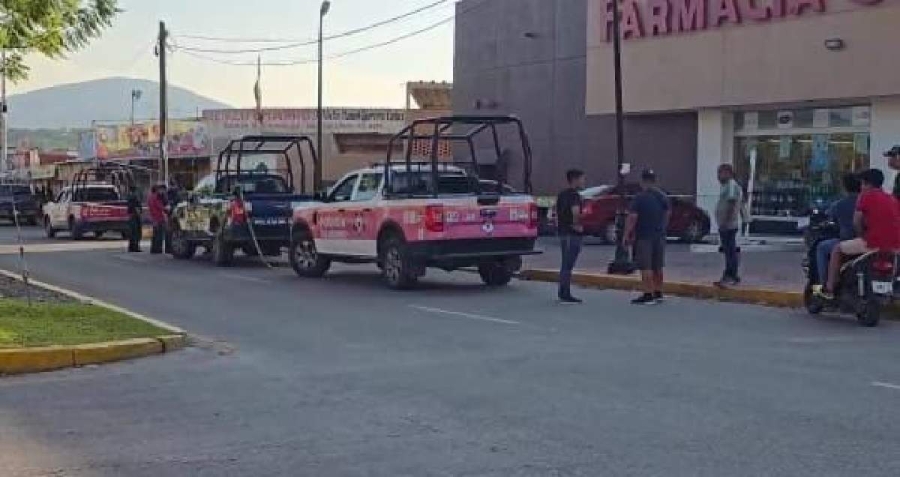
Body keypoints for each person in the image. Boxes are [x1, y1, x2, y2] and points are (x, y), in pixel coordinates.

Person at [817, 169, 900, 300]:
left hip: (873, 243)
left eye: (862, 183)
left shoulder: (865, 197)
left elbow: (856, 222)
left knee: (837, 249)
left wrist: (861, 235)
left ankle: (829, 288)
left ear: (868, 184)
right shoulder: (892, 199)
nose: (861, 187)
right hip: (894, 245)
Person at [624, 169, 671, 305]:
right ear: (654, 180)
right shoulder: (663, 196)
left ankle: (648, 294)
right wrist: (662, 228)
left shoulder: (639, 198)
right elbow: (668, 213)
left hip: (644, 236)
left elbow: (633, 217)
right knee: (658, 266)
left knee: (646, 266)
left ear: (642, 181)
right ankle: (658, 292)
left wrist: (626, 235)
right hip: (659, 235)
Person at [814, 173, 860, 285]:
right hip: (864, 241)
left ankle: (824, 282)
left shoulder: (840, 204)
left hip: (848, 240)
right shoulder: (865, 201)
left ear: (845, 187)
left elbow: (828, 215)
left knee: (821, 248)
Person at [556, 169, 586, 304]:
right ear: (575, 179)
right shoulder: (574, 196)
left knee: (565, 263)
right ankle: (565, 292)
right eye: (582, 179)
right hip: (572, 233)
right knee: (568, 264)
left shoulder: (561, 194)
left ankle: (563, 291)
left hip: (563, 232)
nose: (583, 181)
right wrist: (578, 224)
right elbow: (575, 213)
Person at [714, 164, 743, 287]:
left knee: (730, 251)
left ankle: (730, 275)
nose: (718, 176)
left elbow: (731, 203)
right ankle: (732, 275)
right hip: (726, 224)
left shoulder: (731, 185)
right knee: (728, 250)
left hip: (729, 224)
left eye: (720, 173)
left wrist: (725, 221)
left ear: (728, 173)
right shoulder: (727, 185)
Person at [148, 185, 167, 254]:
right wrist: (166, 208)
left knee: (155, 234)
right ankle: (158, 249)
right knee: (159, 234)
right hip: (159, 217)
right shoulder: (156, 197)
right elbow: (160, 206)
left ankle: (153, 249)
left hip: (153, 217)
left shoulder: (150, 197)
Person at [126, 185, 143, 253]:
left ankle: (131, 247)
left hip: (131, 216)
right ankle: (136, 247)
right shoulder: (135, 197)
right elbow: (137, 207)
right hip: (135, 216)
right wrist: (139, 213)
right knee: (136, 232)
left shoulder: (129, 197)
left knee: (132, 233)